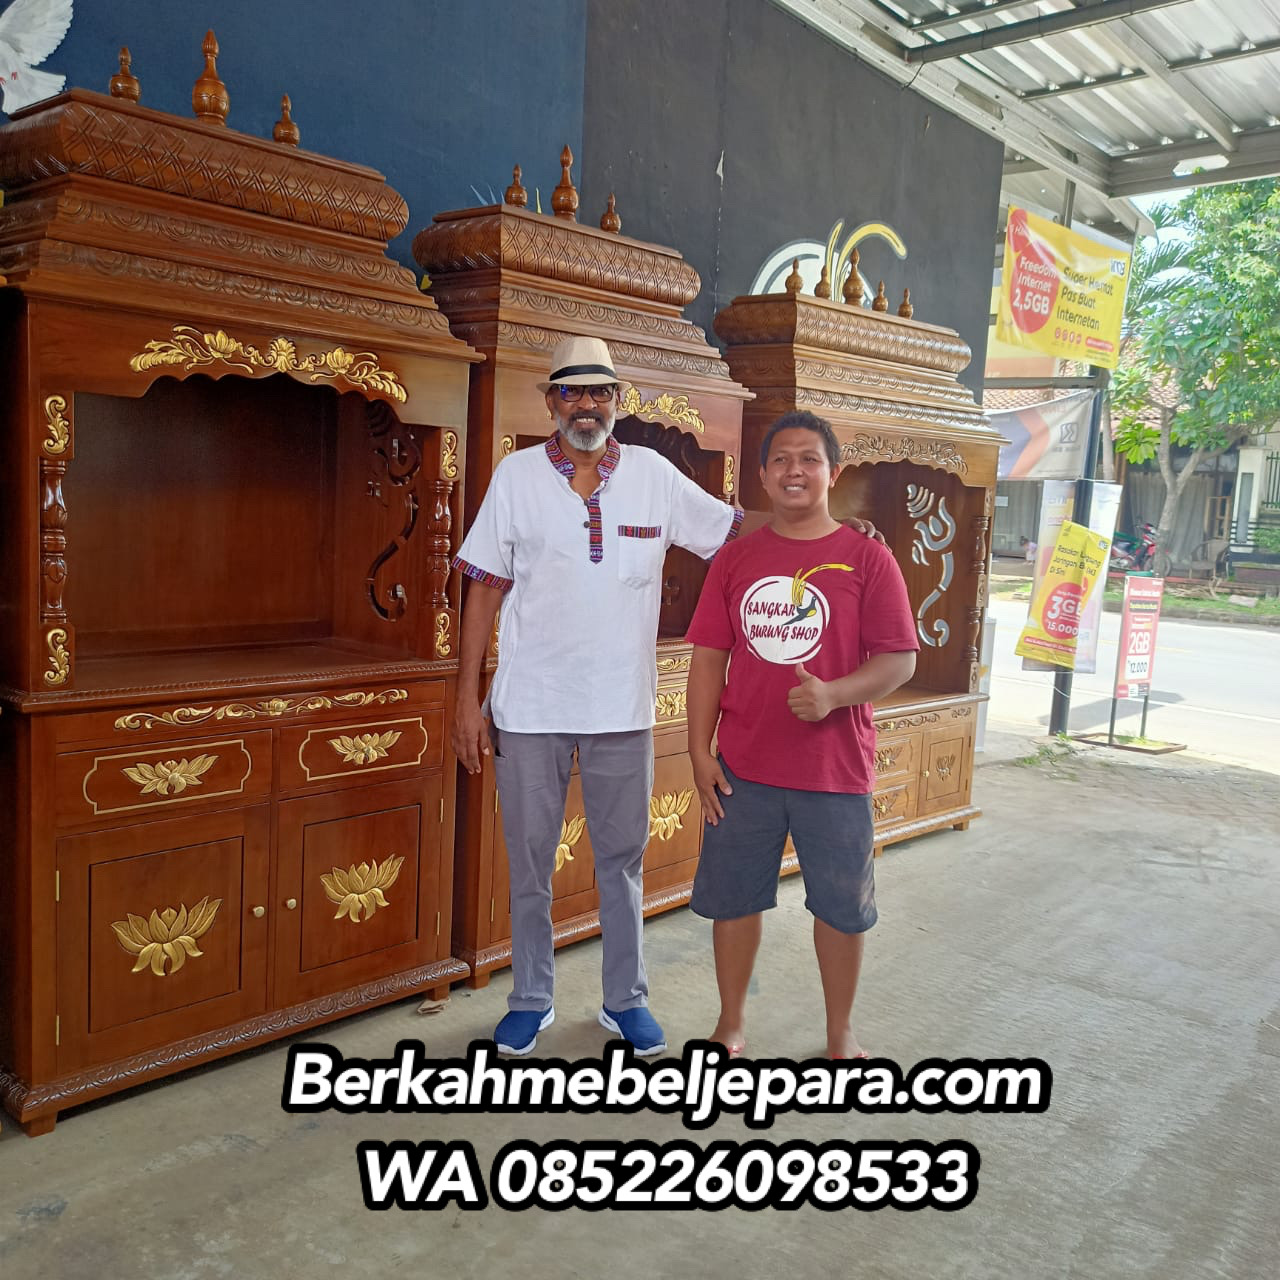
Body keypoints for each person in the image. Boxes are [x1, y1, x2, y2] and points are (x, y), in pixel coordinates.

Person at [450, 335, 745, 1057]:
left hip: (622, 708)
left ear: (620, 403)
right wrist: (467, 699)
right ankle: (531, 998)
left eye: (601, 393)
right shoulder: (517, 477)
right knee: (528, 859)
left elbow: (734, 535)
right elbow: (482, 590)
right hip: (530, 708)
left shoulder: (654, 476)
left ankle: (624, 1001)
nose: (587, 406)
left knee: (621, 859)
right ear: (551, 403)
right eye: (573, 393)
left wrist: (819, 529)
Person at [684, 410, 919, 1060]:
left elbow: (901, 659)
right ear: (762, 475)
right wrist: (697, 752)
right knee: (735, 901)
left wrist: (833, 696)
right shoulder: (736, 559)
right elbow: (707, 659)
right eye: (781, 459)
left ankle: (840, 1033)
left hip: (835, 771)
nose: (795, 469)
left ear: (832, 473)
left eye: (809, 458)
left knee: (841, 908)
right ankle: (730, 1023)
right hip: (744, 767)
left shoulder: (868, 558)